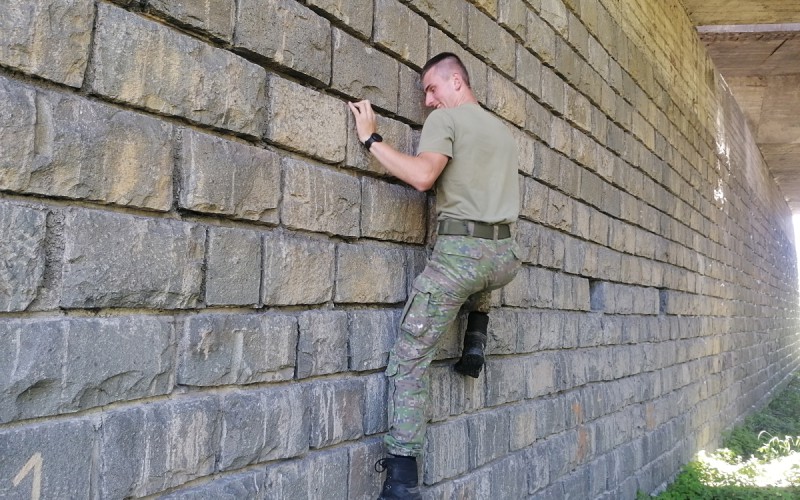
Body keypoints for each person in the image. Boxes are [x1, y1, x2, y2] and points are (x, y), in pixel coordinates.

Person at [348, 52, 521, 499]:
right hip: (505, 259)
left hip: (461, 258)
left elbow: (424, 177)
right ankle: (475, 339)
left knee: (408, 360)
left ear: (456, 83)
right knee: (484, 270)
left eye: (432, 89)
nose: (428, 101)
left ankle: (402, 480)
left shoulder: (448, 120)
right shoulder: (502, 133)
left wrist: (372, 140)